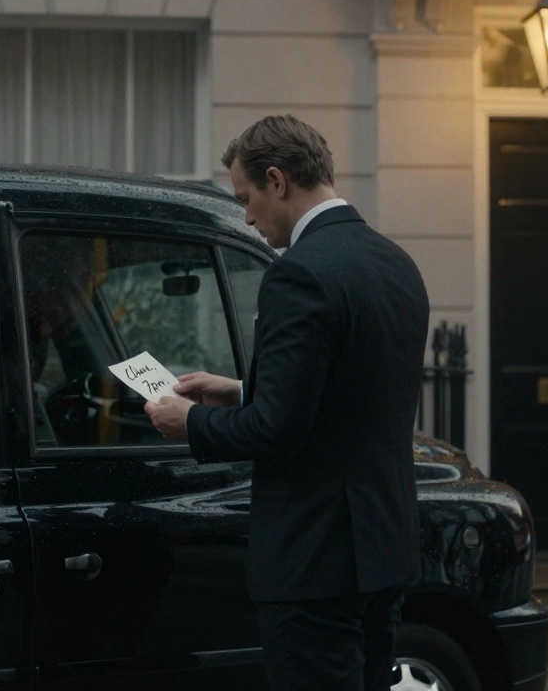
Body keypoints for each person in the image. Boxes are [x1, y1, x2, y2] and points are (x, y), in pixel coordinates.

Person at [144, 115, 431, 691]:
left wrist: (191, 421)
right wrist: (240, 388)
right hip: (384, 549)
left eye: (246, 197)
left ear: (277, 181)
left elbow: (276, 431)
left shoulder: (297, 274)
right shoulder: (396, 263)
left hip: (313, 560)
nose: (246, 216)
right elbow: (352, 391)